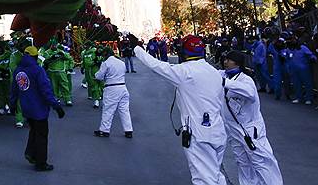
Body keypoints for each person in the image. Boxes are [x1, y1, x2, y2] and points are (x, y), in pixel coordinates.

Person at [135, 35, 228, 185]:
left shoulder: (185, 72)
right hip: (218, 130)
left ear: (183, 52)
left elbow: (156, 66)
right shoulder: (214, 72)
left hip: (198, 133)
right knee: (215, 174)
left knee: (204, 179)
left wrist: (137, 49)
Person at [220, 50, 283, 185]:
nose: (225, 62)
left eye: (229, 60)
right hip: (233, 129)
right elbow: (208, 74)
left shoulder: (245, 80)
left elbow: (250, 94)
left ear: (237, 63)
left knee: (261, 161)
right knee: (242, 162)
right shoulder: (224, 75)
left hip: (250, 129)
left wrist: (225, 82)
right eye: (225, 59)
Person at [9, 46, 65, 172]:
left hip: (26, 109)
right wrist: (56, 106)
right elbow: (46, 91)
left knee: (34, 131)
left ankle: (31, 153)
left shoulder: (18, 70)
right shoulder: (38, 70)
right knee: (41, 135)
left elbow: (14, 90)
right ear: (34, 57)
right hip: (39, 110)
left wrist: (12, 105)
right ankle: (41, 163)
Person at [93, 47, 133, 138]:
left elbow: (99, 76)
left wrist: (96, 75)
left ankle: (104, 130)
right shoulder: (121, 63)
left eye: (103, 54)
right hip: (123, 87)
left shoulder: (106, 63)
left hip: (111, 88)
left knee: (108, 110)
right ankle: (128, 130)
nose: (102, 56)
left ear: (106, 54)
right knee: (124, 110)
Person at [41, 40, 74, 106]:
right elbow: (46, 61)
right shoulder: (47, 52)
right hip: (51, 71)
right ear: (51, 45)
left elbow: (69, 58)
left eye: (55, 45)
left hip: (61, 71)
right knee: (54, 86)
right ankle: (56, 99)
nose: (54, 46)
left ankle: (68, 99)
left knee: (64, 85)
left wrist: (63, 56)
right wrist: (54, 57)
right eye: (53, 45)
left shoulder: (61, 51)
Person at [283, 39, 316, 104]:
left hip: (304, 70)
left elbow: (310, 54)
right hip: (294, 70)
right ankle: (299, 97)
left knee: (307, 83)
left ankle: (309, 98)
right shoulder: (288, 50)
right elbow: (286, 59)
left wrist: (313, 58)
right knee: (296, 84)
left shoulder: (303, 48)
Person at [0, 41, 12, 115]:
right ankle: (1, 107)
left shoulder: (9, 54)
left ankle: (10, 107)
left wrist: (7, 71)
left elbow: (11, 63)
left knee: (9, 92)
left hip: (8, 76)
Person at [81, 43, 103, 109]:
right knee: (94, 86)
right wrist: (83, 67)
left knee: (103, 86)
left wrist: (98, 61)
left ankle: (103, 98)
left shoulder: (95, 52)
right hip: (91, 72)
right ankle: (96, 101)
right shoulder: (84, 53)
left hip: (100, 71)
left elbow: (102, 59)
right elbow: (85, 62)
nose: (85, 46)